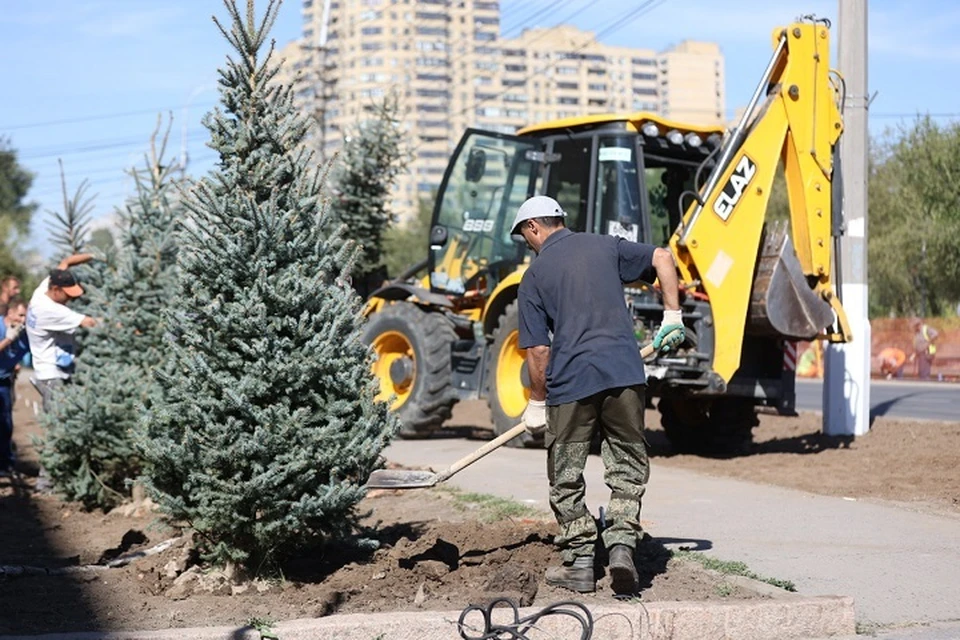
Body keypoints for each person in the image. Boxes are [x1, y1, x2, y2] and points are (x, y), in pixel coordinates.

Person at [513, 195, 684, 595]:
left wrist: (537, 402)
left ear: (534, 227)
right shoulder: (606, 246)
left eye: (525, 237)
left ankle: (580, 562)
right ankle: (622, 544)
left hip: (572, 383)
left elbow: (538, 351)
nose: (528, 246)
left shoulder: (534, 278)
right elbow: (662, 257)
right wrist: (672, 314)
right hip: (625, 374)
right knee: (627, 465)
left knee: (566, 474)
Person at [26, 254, 97, 412]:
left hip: (53, 371)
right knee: (59, 420)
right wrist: (124, 325)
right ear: (56, 290)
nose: (71, 299)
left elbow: (66, 262)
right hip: (52, 376)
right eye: (68, 295)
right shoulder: (49, 310)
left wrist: (93, 255)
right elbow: (90, 322)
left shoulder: (43, 289)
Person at [0, 297, 30, 476]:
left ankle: (5, 464)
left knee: (5, 423)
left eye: (25, 316)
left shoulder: (23, 335)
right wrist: (7, 341)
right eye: (20, 315)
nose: (22, 320)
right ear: (10, 313)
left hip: (4, 381)